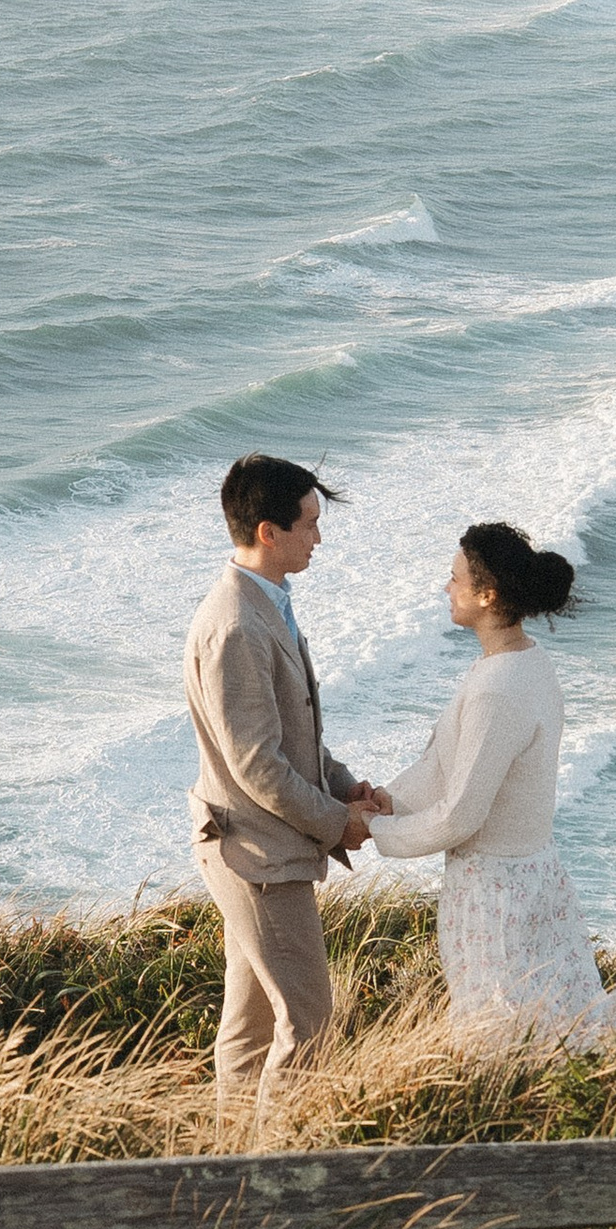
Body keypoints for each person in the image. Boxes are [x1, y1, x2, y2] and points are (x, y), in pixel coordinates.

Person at [365, 518, 616, 1041]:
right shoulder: (526, 663)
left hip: (496, 892)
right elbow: (446, 764)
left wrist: (374, 832)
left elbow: (462, 813)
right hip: (533, 875)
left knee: (503, 1031)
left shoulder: (497, 688)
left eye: (455, 579)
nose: (446, 588)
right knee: (555, 1018)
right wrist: (389, 800)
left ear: (487, 595)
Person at [183, 452, 390, 1129]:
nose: (318, 538)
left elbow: (293, 732)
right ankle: (278, 1179)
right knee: (309, 1022)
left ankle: (231, 1174)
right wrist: (338, 821)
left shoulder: (265, 603)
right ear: (268, 532)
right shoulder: (237, 625)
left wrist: (343, 784)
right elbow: (258, 765)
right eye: (308, 525)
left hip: (258, 849)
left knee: (245, 1032)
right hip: (258, 857)